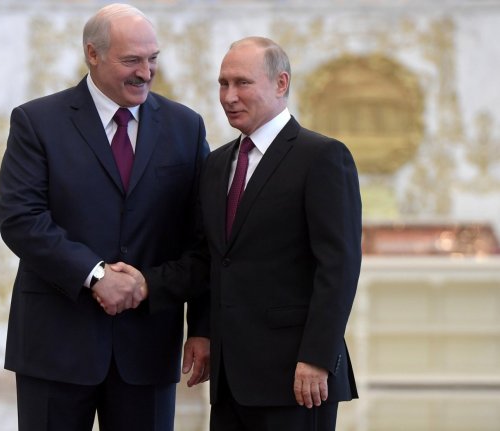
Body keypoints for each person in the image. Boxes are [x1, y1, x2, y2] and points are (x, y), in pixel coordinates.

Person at [122, 36, 361, 430]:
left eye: (242, 83)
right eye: (223, 83)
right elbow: (212, 260)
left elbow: (339, 267)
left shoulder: (321, 157)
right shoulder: (217, 165)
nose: (229, 96)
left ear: (281, 83)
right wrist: (189, 320)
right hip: (231, 380)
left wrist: (317, 357)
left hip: (298, 376)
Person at [0, 4, 210, 430]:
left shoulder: (185, 127)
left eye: (153, 59)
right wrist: (96, 275)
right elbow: (21, 219)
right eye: (131, 60)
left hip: (148, 346)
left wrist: (203, 327)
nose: (145, 73)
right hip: (56, 345)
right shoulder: (37, 122)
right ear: (92, 54)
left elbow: (205, 237)